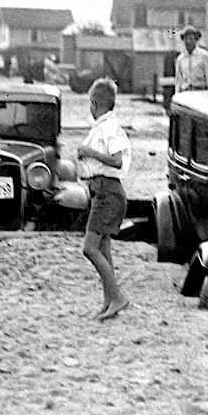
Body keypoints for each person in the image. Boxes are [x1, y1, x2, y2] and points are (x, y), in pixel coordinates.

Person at [77, 78, 131, 321]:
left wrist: (89, 153)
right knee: (103, 248)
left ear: (93, 102)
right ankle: (110, 300)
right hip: (102, 191)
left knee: (89, 248)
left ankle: (117, 297)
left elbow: (117, 160)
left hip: (109, 192)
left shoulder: (109, 127)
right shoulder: (102, 126)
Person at [174, 25, 208, 92]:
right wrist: (177, 95)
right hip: (185, 93)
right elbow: (178, 80)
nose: (188, 42)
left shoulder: (204, 56)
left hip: (200, 92)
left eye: (191, 38)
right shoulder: (180, 59)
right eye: (186, 39)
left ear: (196, 39)